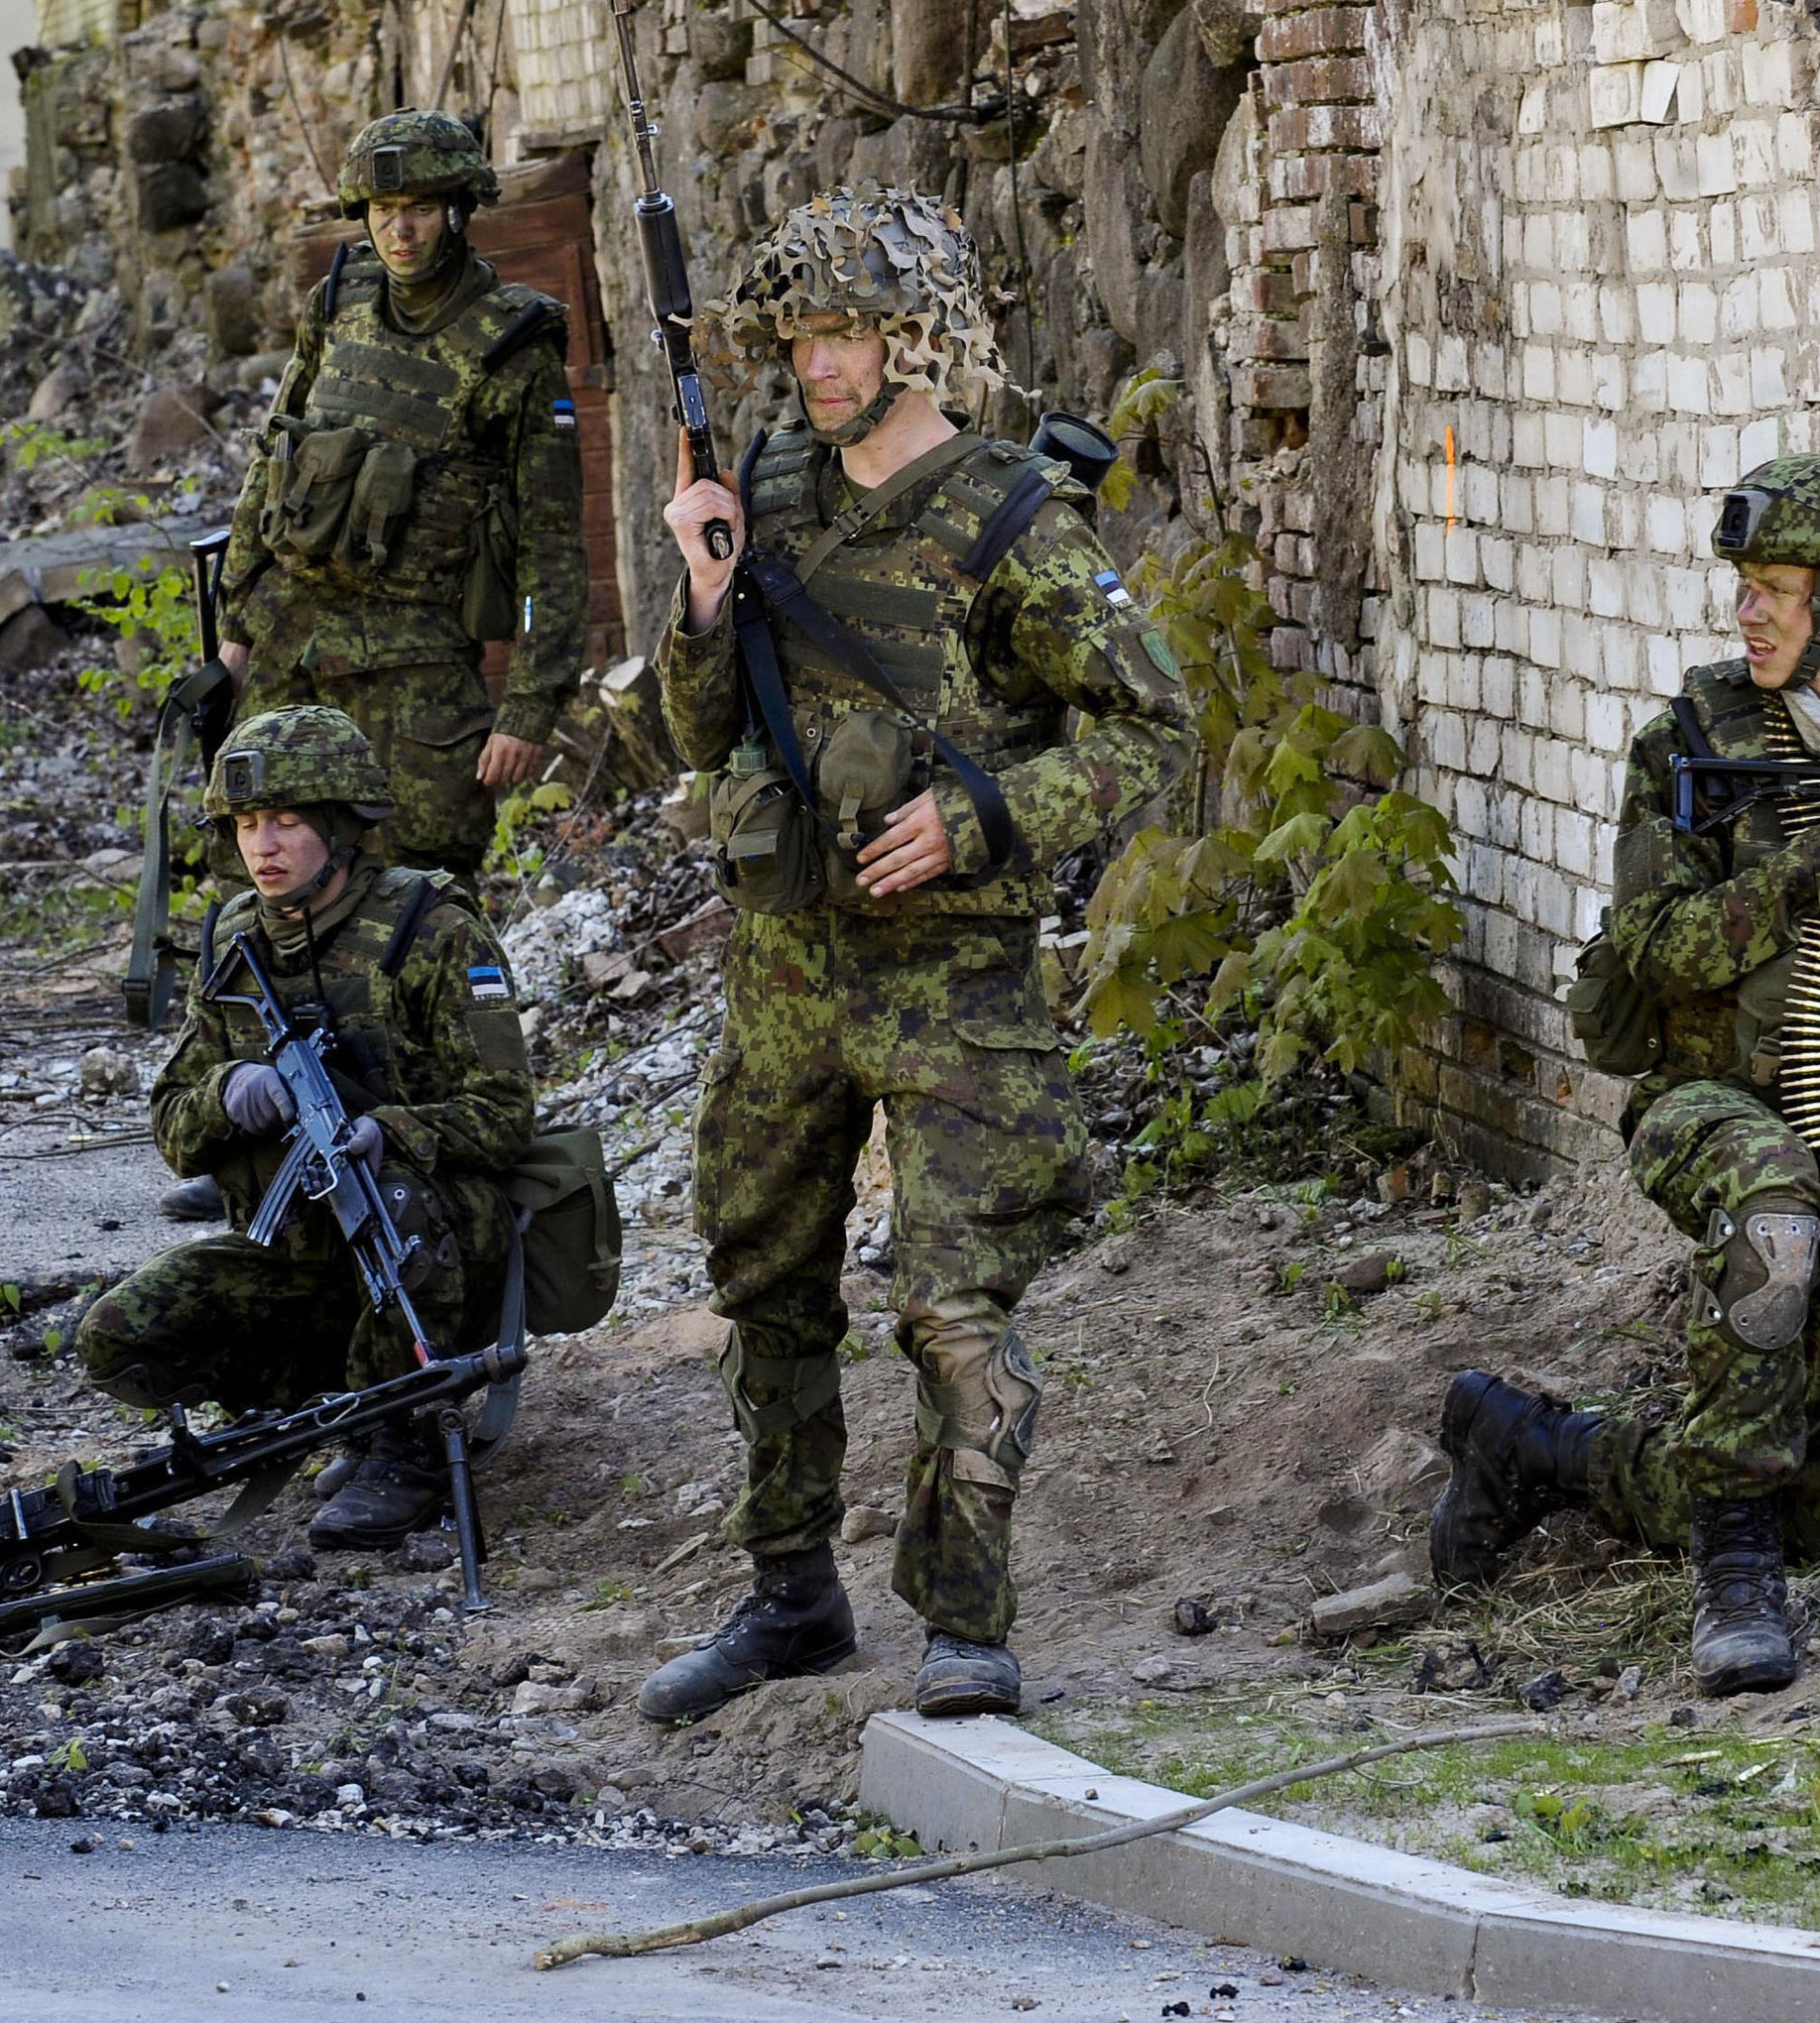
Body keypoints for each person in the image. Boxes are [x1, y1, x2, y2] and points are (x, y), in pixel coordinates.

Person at [635, 187, 1195, 1722]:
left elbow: (1156, 733)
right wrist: (699, 594)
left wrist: (984, 816)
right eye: (801, 335)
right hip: (787, 972)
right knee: (766, 1282)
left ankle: (967, 1620)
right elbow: (690, 734)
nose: (819, 364)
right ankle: (789, 1595)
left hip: (959, 988)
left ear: (918, 334)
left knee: (958, 1306)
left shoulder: (1011, 517)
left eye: (849, 331)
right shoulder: (768, 490)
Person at [1428, 452, 1820, 1695]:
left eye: (1779, 587)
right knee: (1771, 1203)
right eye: (1746, 586)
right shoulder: (1690, 740)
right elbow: (1656, 949)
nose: (1750, 611)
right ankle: (1733, 1587)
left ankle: (1531, 1447)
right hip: (1705, 1102)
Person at [69, 705, 535, 1553]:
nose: (263, 847)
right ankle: (341, 1406)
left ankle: (411, 1444)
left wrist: (388, 1131)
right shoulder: (235, 938)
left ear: (340, 824)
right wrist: (226, 1091)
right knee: (117, 1336)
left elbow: (505, 1116)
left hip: (430, 1248)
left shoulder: (432, 929)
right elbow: (174, 1127)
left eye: (285, 821)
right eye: (247, 824)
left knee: (392, 1194)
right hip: (298, 1250)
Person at [213, 106, 589, 889]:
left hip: (414, 669)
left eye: (419, 211)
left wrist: (526, 706)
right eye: (385, 213)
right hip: (292, 646)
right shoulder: (335, 305)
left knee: (419, 893)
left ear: (457, 213)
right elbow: (270, 466)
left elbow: (549, 546)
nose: (401, 233)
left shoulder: (513, 348)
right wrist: (235, 623)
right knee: (263, 883)